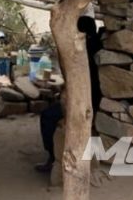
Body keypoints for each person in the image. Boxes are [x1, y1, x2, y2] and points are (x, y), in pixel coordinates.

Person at [35, 15, 102, 172]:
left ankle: (52, 157)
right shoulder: (98, 45)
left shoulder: (82, 49)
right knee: (54, 107)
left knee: (47, 116)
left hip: (86, 100)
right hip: (93, 97)